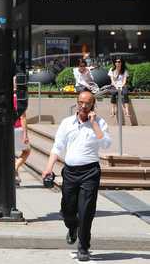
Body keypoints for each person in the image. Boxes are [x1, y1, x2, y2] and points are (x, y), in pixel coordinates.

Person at [42, 90, 111, 262]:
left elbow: (106, 144)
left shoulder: (100, 123)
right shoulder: (67, 123)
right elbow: (57, 147)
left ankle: (83, 247)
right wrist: (48, 168)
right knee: (68, 210)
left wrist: (94, 124)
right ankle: (72, 227)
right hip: (71, 172)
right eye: (81, 102)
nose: (84, 106)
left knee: (86, 211)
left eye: (88, 103)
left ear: (93, 104)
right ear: (76, 102)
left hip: (90, 173)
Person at [13, 89, 30, 186]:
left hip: (7, 128)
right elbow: (23, 117)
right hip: (18, 127)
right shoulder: (19, 99)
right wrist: (25, 134)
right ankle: (14, 169)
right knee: (27, 150)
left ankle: (14, 175)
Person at [106, 58, 131, 122]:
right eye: (116, 62)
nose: (117, 63)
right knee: (113, 93)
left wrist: (121, 86)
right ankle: (113, 110)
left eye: (119, 62)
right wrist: (116, 86)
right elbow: (112, 80)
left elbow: (124, 80)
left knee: (125, 93)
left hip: (122, 85)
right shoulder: (112, 70)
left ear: (121, 62)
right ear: (114, 63)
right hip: (114, 85)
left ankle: (127, 110)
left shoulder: (124, 70)